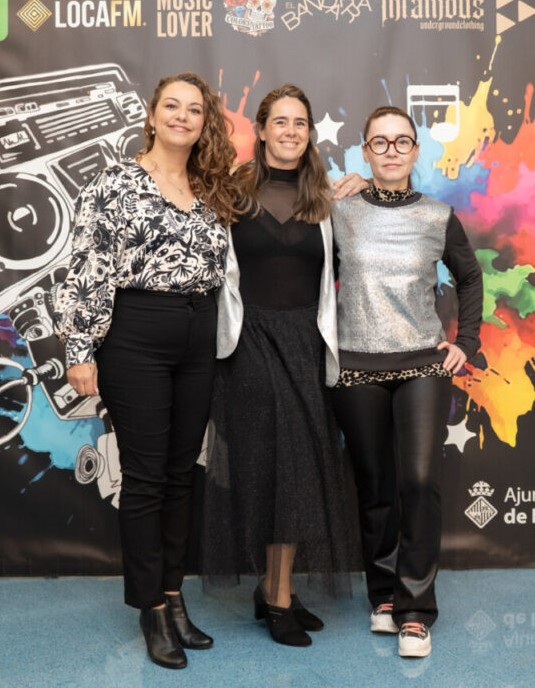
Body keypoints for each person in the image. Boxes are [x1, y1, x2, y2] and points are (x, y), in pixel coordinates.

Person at [53, 72, 239, 669]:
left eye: (194, 110)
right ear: (152, 116)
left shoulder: (213, 188)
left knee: (183, 472)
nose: (183, 117)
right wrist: (79, 351)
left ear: (205, 122)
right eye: (172, 107)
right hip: (136, 335)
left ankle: (174, 594)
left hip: (198, 336)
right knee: (145, 476)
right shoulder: (114, 182)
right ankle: (149, 610)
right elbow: (85, 267)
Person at [201, 85, 360, 647]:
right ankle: (278, 599)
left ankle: (276, 587)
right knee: (278, 464)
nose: (291, 131)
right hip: (249, 341)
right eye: (281, 122)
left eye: (301, 123)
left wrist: (362, 188)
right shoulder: (228, 193)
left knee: (299, 466)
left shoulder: (326, 198)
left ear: (308, 133)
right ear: (261, 130)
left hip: (307, 341)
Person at [331, 106, 483, 658]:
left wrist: (465, 344)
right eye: (380, 142)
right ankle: (385, 598)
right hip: (355, 366)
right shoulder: (340, 212)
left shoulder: (438, 215)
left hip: (422, 363)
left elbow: (469, 276)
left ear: (416, 151)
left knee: (417, 481)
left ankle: (417, 610)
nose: (392, 151)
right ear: (365, 152)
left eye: (402, 142)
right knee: (375, 485)